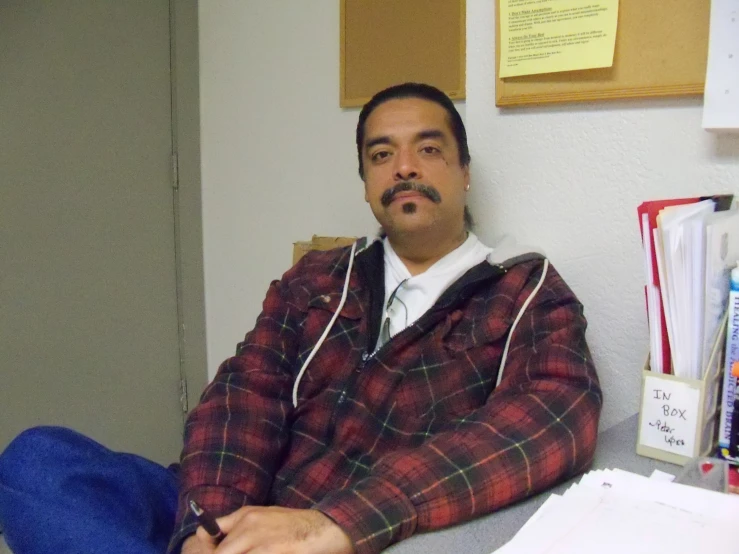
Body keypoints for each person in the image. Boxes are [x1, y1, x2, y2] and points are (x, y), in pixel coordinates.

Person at [0, 83, 602, 554]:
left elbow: (556, 419)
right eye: (381, 154)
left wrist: (331, 526)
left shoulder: (526, 292)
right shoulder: (318, 279)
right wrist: (205, 527)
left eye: (429, 148)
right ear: (366, 181)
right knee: (36, 461)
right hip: (232, 510)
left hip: (354, 535)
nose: (405, 168)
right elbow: (245, 395)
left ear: (464, 172)